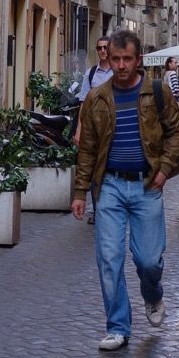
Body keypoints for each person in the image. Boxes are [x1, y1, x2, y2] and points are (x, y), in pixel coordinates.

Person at [72, 29, 179, 351]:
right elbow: (88, 149)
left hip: (147, 185)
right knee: (109, 257)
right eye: (116, 58)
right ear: (109, 57)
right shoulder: (96, 98)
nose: (121, 65)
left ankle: (152, 293)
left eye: (127, 59)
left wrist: (164, 171)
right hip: (108, 185)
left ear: (138, 60)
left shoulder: (157, 91)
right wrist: (81, 193)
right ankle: (118, 326)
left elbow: (178, 133)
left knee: (148, 260)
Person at [74, 35, 114, 224]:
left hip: (114, 129)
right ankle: (98, 210)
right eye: (99, 48)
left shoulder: (118, 73)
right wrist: (79, 130)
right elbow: (83, 104)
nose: (103, 51)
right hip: (93, 130)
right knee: (95, 170)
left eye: (106, 47)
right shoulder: (90, 74)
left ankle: (109, 209)